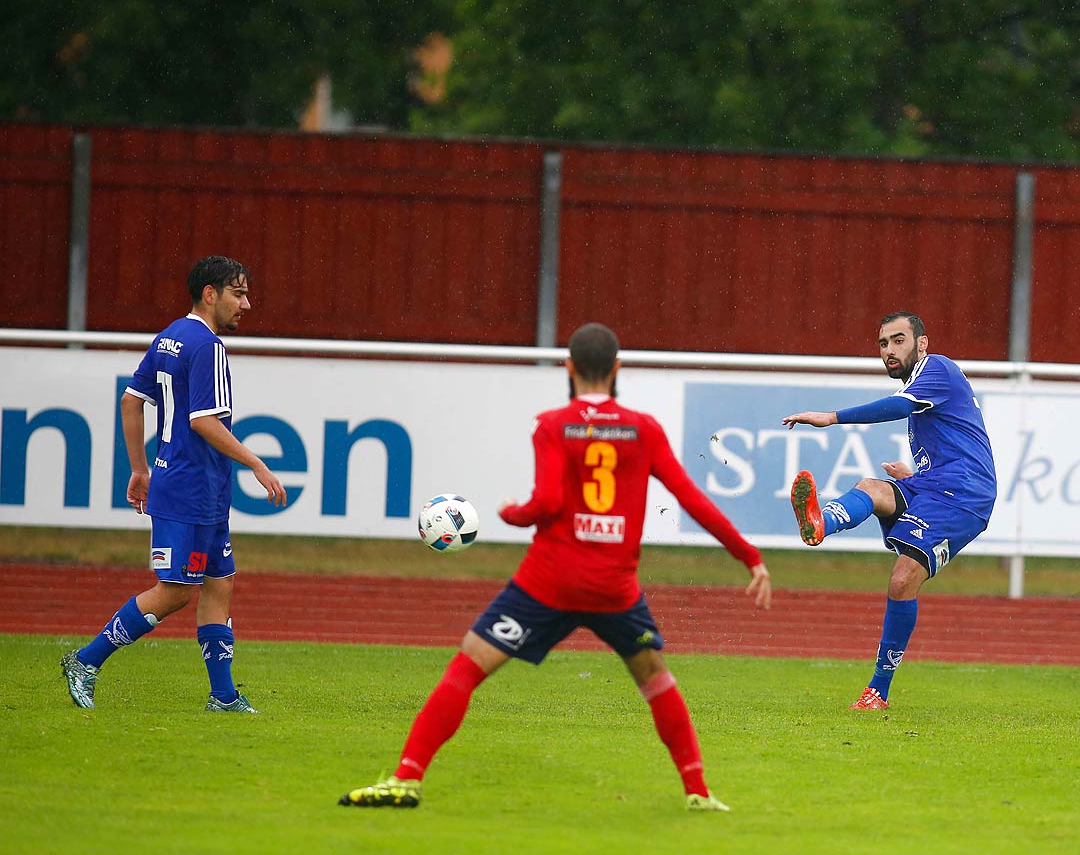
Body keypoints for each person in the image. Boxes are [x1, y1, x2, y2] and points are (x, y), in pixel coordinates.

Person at [340, 322, 772, 812]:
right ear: (617, 369)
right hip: (614, 588)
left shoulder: (551, 423)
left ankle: (406, 779)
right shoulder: (644, 428)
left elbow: (545, 502)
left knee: (469, 664)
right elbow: (691, 499)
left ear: (568, 368)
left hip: (549, 581)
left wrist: (511, 513)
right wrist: (749, 556)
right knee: (655, 678)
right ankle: (697, 791)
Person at [60, 256, 289, 713]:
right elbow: (204, 420)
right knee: (178, 590)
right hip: (190, 488)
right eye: (238, 293)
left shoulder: (170, 337)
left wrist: (140, 468)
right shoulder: (208, 346)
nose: (247, 303)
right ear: (210, 293)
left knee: (220, 584)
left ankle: (222, 696)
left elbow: (131, 401)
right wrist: (256, 463)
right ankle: (86, 661)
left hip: (196, 485)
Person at [782, 311, 996, 709]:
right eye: (883, 344)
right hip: (933, 484)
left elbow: (896, 406)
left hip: (965, 495)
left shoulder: (937, 368)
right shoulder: (925, 390)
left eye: (899, 340)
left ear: (922, 343)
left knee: (902, 581)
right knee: (872, 488)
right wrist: (917, 473)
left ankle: (877, 690)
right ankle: (820, 522)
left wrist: (832, 417)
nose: (890, 350)